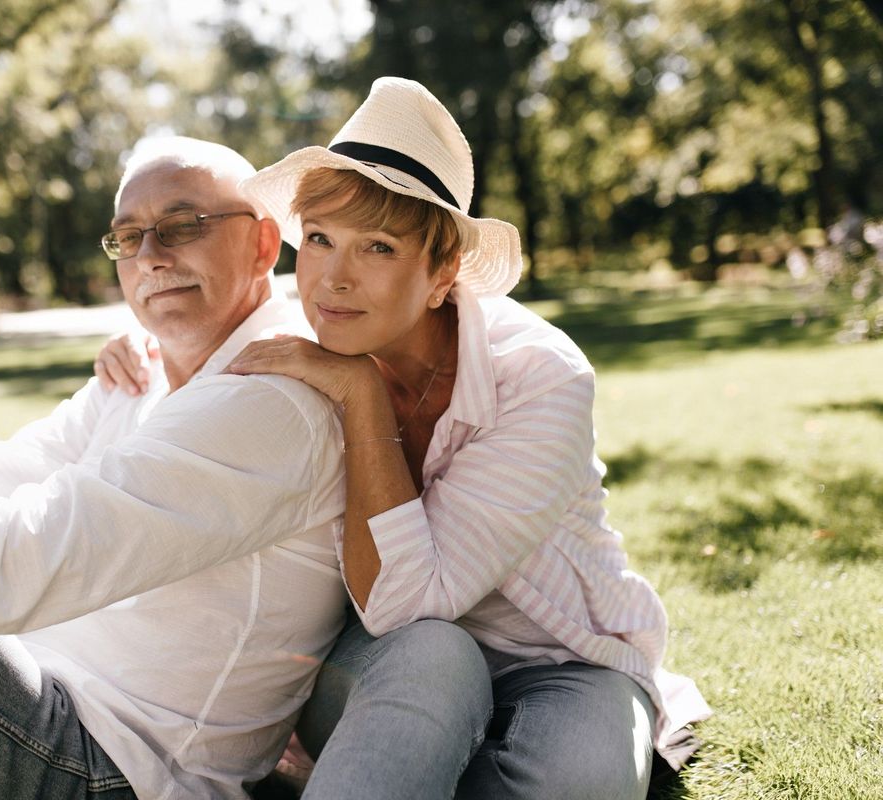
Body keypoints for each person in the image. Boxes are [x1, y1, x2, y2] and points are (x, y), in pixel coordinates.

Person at [0, 135, 484, 800]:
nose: (150, 255)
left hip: (114, 774)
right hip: (36, 709)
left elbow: (44, 546)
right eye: (127, 237)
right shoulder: (145, 373)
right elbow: (5, 472)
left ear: (263, 242)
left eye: (182, 225)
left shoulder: (274, 406)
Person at [96, 77, 713, 799]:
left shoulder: (539, 378)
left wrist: (361, 398)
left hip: (560, 656)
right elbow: (399, 620)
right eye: (320, 239)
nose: (333, 279)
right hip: (389, 656)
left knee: (576, 783)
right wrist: (136, 343)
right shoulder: (309, 340)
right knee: (426, 663)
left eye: (378, 248)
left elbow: (415, 593)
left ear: (443, 271)